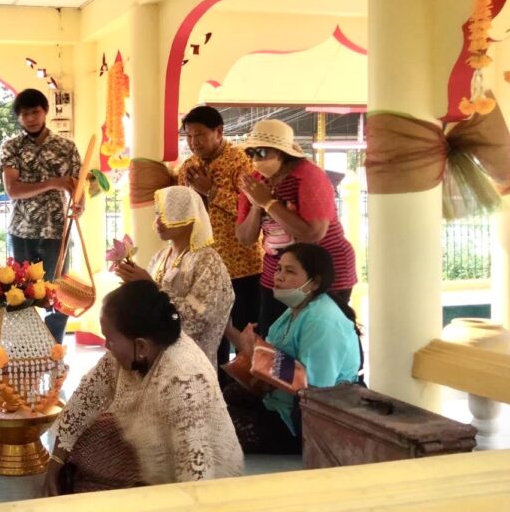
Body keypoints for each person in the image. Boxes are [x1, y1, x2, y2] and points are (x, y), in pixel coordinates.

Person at [43, 280, 243, 495]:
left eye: (110, 339)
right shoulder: (130, 352)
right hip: (155, 464)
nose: (106, 346)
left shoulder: (183, 380)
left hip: (207, 491)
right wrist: (55, 464)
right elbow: (83, 402)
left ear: (141, 346)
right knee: (87, 432)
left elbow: (196, 477)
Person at [224, 243, 361, 454]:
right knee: (226, 397)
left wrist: (256, 355)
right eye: (278, 269)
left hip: (306, 418)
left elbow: (313, 388)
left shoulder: (322, 320)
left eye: (289, 271)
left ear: (314, 282)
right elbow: (270, 354)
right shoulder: (295, 310)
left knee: (218, 432)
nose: (278, 277)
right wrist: (230, 331)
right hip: (280, 401)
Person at [235, 119, 357, 337]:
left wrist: (269, 204)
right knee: (274, 338)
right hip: (278, 273)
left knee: (322, 336)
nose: (255, 160)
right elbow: (245, 238)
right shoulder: (255, 182)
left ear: (282, 153)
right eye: (250, 153)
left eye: (261, 152)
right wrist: (256, 206)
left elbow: (313, 234)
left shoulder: (308, 176)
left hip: (323, 272)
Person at [176, 106, 263, 382]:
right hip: (203, 269)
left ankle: (249, 393)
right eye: (189, 136)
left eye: (200, 134)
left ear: (219, 131)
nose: (194, 142)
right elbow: (183, 213)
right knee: (210, 333)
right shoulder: (188, 168)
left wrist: (210, 191)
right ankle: (215, 390)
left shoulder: (240, 163)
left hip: (242, 266)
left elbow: (253, 208)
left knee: (246, 334)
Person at [112, 186, 233, 368]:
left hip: (190, 364)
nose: (158, 222)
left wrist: (153, 286)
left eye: (168, 214)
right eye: (158, 214)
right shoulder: (160, 256)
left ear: (189, 215)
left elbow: (198, 317)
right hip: (155, 358)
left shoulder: (207, 260)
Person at [0, 88, 82, 343]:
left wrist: (79, 204)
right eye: (24, 114)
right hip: (21, 232)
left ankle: (53, 348)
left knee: (57, 294)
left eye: (35, 112)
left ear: (45, 111)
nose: (31, 119)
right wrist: (54, 182)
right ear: (18, 118)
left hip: (56, 231)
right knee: (18, 293)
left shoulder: (66, 147)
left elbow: (78, 188)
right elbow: (13, 190)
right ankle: (23, 348)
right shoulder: (11, 147)